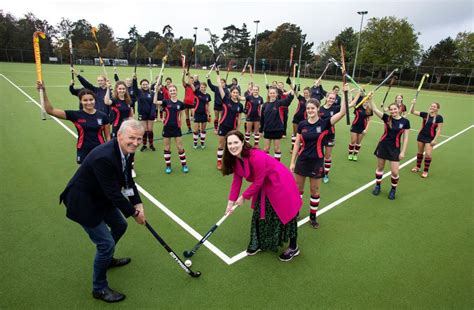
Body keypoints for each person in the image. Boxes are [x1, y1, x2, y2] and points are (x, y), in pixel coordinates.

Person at [59, 119, 147, 303]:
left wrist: (138, 205)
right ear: (120, 135)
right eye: (132, 138)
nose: (136, 143)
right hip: (83, 202)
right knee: (105, 244)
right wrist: (133, 213)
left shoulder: (127, 151)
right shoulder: (104, 157)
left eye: (139, 139)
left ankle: (106, 259)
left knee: (119, 226)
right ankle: (99, 288)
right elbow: (114, 193)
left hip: (100, 197)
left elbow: (127, 180)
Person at [222, 130, 302, 261]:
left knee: (285, 213)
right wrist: (230, 204)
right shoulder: (236, 159)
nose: (233, 146)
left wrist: (243, 197)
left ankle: (294, 247)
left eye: (236, 142)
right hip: (264, 184)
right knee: (260, 212)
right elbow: (236, 181)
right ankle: (257, 242)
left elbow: (258, 181)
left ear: (242, 142)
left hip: (279, 181)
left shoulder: (256, 156)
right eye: (230, 143)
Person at [290, 88, 347, 229]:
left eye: (312, 108)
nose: (310, 110)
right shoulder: (302, 124)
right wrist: (292, 162)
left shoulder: (325, 123)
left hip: (316, 161)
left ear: (317, 109)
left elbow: (342, 113)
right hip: (302, 161)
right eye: (308, 108)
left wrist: (345, 94)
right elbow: (297, 143)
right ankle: (296, 212)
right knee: (298, 190)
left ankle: (313, 216)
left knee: (315, 191)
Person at [38, 81, 110, 164]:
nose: (89, 102)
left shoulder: (103, 116)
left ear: (94, 100)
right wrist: (43, 92)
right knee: (84, 175)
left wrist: (108, 150)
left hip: (99, 149)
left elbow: (107, 137)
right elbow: (50, 110)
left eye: (91, 99)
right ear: (80, 101)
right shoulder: (76, 115)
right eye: (85, 100)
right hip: (83, 151)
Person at [369, 94, 410, 200]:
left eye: (395, 109)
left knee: (395, 172)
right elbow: (375, 109)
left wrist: (403, 152)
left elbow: (405, 138)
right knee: (380, 167)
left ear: (399, 109)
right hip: (383, 145)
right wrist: (370, 99)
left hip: (395, 148)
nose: (393, 111)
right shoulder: (387, 118)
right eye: (391, 109)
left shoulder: (405, 122)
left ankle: (393, 189)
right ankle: (378, 186)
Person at [153, 83, 189, 174]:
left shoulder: (181, 104)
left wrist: (181, 123)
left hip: (177, 128)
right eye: (171, 91)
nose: (172, 92)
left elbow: (181, 114)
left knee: (180, 147)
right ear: (169, 92)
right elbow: (155, 102)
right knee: (167, 147)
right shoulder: (166, 101)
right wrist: (156, 91)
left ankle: (184, 165)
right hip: (167, 127)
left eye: (174, 90)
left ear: (176, 91)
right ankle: (168, 166)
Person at [215, 70, 244, 170]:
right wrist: (218, 74)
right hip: (223, 125)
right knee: (221, 145)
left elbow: (239, 118)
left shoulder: (240, 105)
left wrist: (237, 129)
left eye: (237, 93)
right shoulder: (226, 99)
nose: (235, 94)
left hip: (232, 128)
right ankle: (219, 162)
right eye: (233, 92)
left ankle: (230, 163)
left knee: (231, 146)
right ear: (230, 93)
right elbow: (219, 86)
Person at [409, 100, 444, 178]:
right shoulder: (425, 114)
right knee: (420, 152)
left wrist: (435, 139)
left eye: (434, 106)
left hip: (430, 138)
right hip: (421, 136)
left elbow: (439, 130)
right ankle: (418, 167)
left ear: (437, 109)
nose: (432, 107)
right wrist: (413, 104)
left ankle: (425, 171)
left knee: (428, 154)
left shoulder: (439, 117)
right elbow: (412, 111)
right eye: (431, 106)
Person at [259, 86, 294, 161]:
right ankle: (267, 163)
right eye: (271, 93)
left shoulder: (279, 103)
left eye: (273, 93)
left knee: (276, 148)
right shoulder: (265, 105)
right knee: (266, 148)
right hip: (267, 129)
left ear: (277, 94)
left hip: (277, 129)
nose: (272, 94)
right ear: (268, 94)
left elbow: (287, 101)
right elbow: (262, 118)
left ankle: (276, 164)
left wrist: (292, 92)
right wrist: (261, 130)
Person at [318, 91, 341, 183]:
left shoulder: (335, 108)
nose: (331, 100)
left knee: (327, 156)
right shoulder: (319, 108)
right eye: (330, 98)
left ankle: (326, 174)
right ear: (326, 98)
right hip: (319, 134)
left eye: (333, 99)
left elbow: (348, 105)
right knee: (318, 155)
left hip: (330, 135)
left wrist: (348, 93)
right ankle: (318, 171)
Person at [132, 74, 157, 152]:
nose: (145, 85)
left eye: (146, 84)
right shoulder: (139, 92)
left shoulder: (152, 93)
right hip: (142, 114)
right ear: (141, 85)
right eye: (143, 84)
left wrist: (152, 112)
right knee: (144, 130)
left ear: (148, 85)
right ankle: (144, 145)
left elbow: (154, 103)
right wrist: (134, 80)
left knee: (150, 130)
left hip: (150, 114)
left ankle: (151, 144)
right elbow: (134, 88)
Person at [348, 92, 370, 161]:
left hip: (362, 128)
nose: (365, 102)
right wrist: (355, 93)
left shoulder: (369, 110)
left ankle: (355, 155)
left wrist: (366, 129)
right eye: (364, 101)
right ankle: (350, 154)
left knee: (358, 142)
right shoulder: (358, 106)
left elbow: (369, 120)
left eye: (366, 101)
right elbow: (352, 102)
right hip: (354, 126)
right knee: (353, 141)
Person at [291, 87, 311, 152]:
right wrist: (291, 84)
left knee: (302, 135)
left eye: (307, 93)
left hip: (304, 120)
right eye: (304, 93)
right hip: (296, 118)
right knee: (295, 133)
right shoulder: (301, 98)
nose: (305, 94)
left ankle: (301, 148)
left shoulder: (311, 101)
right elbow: (295, 91)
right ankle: (293, 147)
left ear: (310, 93)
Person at [193, 82, 212, 149]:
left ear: (206, 87)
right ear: (200, 87)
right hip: (197, 113)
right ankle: (195, 143)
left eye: (204, 87)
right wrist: (187, 74)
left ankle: (202, 143)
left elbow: (207, 105)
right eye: (201, 87)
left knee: (203, 130)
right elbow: (191, 85)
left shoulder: (208, 95)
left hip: (204, 114)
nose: (203, 88)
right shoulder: (197, 92)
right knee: (195, 130)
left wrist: (209, 115)